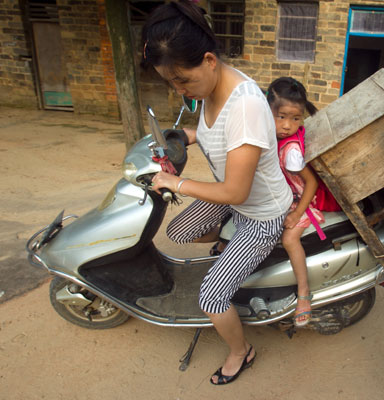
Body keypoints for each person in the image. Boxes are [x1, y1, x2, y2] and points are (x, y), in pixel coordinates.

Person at [142, 1, 292, 385]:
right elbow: (220, 137)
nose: (178, 89)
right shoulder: (212, 87)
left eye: (182, 80)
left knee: (211, 298)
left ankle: (242, 351)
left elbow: (236, 190)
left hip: (260, 213)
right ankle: (229, 244)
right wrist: (185, 138)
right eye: (170, 82)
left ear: (209, 60)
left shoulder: (244, 107)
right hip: (234, 200)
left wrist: (175, 183)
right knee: (178, 232)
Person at [266, 77, 321, 327]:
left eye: (295, 118)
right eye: (281, 116)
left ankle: (303, 293)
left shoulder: (291, 152)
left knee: (289, 238)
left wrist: (297, 214)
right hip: (283, 196)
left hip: (302, 201)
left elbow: (311, 184)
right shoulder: (268, 137)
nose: (288, 125)